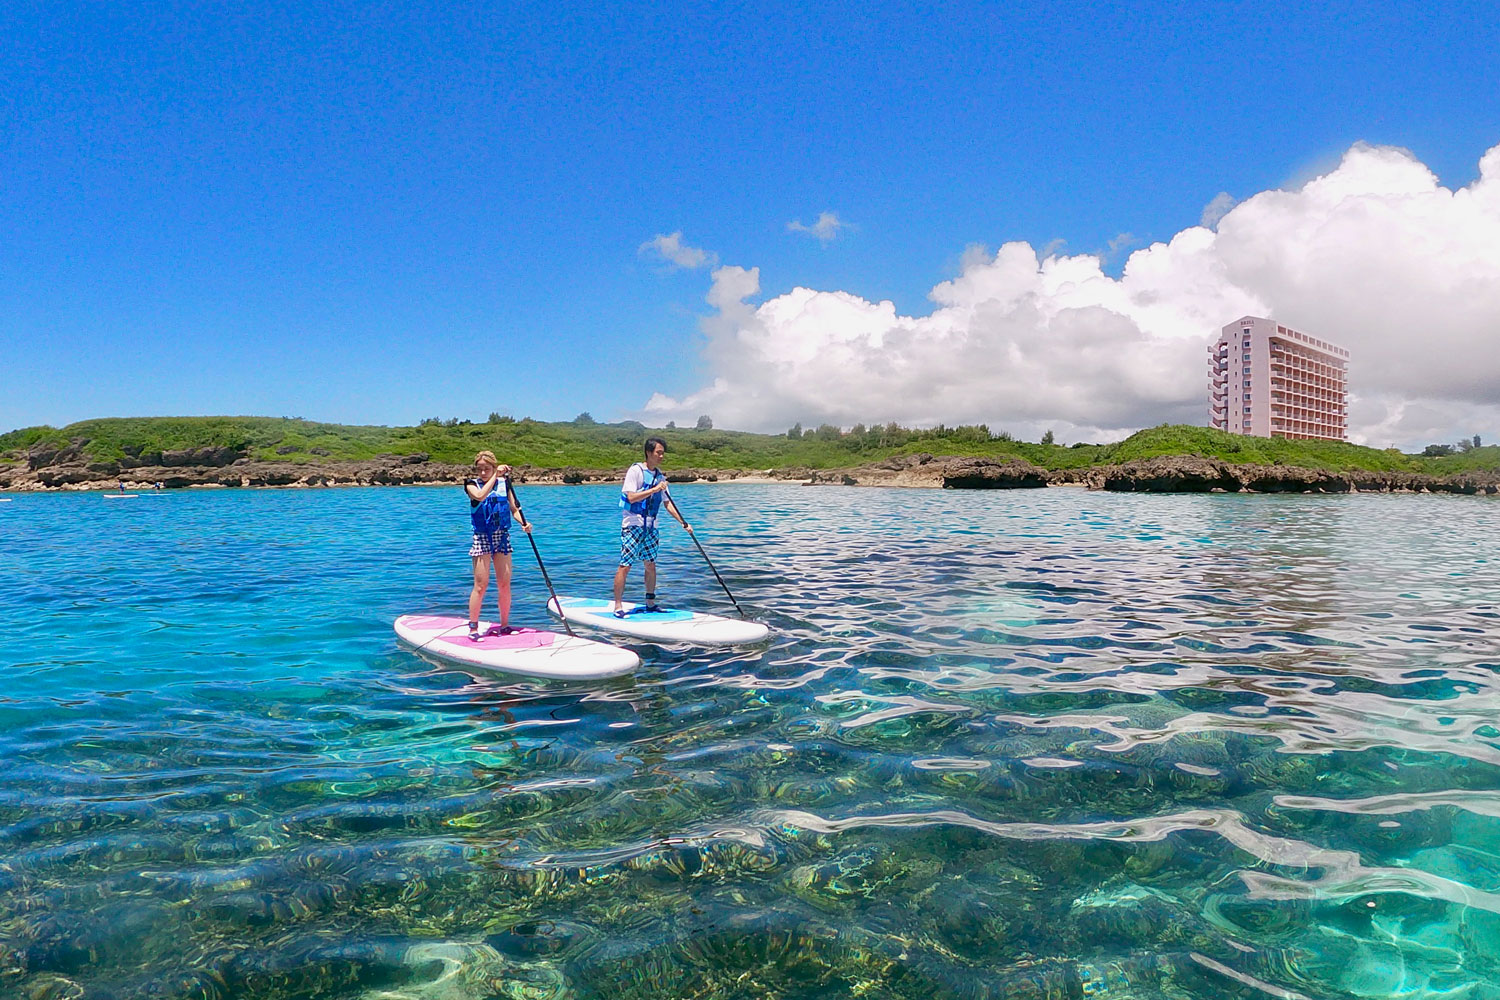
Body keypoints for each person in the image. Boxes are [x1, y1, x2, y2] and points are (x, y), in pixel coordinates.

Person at [613, 436, 690, 617]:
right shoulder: (636, 471)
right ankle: (618, 605)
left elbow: (667, 503)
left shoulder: (660, 476)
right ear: (649, 453)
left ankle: (650, 602)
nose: (662, 456)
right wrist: (654, 489)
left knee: (650, 565)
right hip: (633, 525)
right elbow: (631, 497)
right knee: (626, 565)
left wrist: (683, 522)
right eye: (658, 453)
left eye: (663, 453)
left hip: (652, 526)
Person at [465, 450, 531, 641]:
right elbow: (479, 496)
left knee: (504, 583)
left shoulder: (504, 484)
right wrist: (496, 475)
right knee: (481, 584)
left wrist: (523, 523)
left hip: (501, 536)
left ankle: (504, 625)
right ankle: (473, 627)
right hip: (482, 537)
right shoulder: (471, 484)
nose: (483, 473)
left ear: (493, 467)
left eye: (488, 469)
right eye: (480, 469)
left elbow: (513, 509)